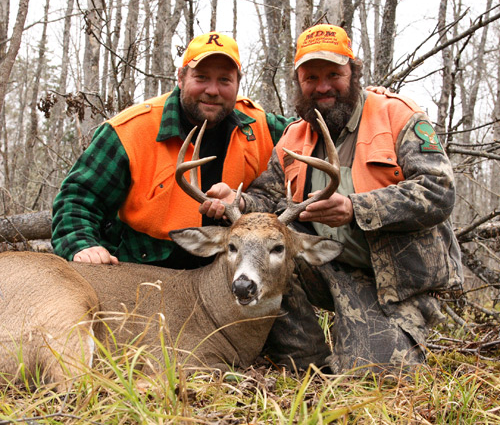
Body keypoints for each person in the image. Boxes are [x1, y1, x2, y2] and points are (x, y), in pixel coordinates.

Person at [200, 24, 463, 373]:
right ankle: (306, 358)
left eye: (333, 74)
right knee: (254, 255)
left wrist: (357, 208)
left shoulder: (396, 115)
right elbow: (268, 194)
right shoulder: (295, 135)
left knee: (376, 375)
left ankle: (376, 336)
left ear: (353, 72)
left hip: (395, 280)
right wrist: (240, 202)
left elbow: (439, 191)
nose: (322, 86)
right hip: (329, 268)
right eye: (311, 77)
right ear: (299, 82)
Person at [51, 31, 293, 268]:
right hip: (145, 272)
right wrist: (82, 246)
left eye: (224, 80)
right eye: (201, 78)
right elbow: (78, 198)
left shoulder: (260, 126)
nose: (212, 90)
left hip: (234, 272)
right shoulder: (131, 131)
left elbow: (307, 135)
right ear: (181, 77)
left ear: (238, 83)